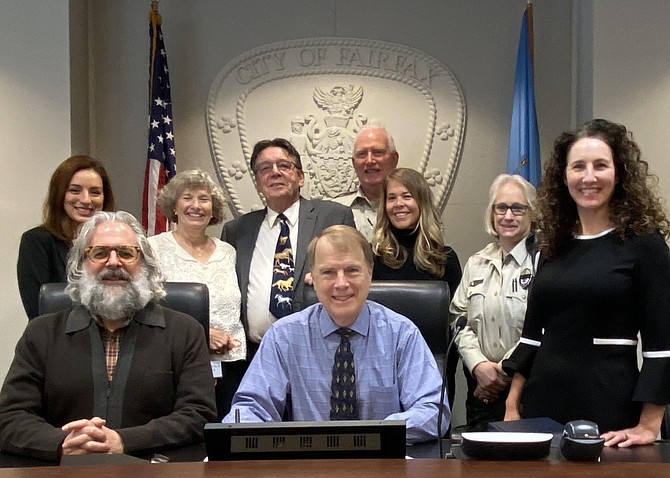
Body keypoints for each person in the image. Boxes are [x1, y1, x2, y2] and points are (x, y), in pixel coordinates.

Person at [503, 119, 670, 447]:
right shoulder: (552, 245)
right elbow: (532, 337)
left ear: (618, 173)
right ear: (564, 176)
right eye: (578, 166)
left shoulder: (645, 245)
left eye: (600, 165)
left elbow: (662, 344)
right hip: (541, 409)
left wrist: (649, 426)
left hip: (609, 409)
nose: (589, 177)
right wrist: (511, 406)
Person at [0, 211, 216, 461]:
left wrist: (124, 440)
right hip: (62, 472)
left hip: (151, 470)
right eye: (100, 253)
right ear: (80, 265)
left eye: (126, 253)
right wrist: (62, 443)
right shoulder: (41, 332)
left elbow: (199, 414)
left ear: (145, 265)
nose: (113, 262)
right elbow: (10, 416)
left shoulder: (185, 331)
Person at [224, 225, 449, 444]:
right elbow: (251, 407)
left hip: (382, 464)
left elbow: (433, 411)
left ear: (369, 273)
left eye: (352, 270)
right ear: (314, 278)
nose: (341, 283)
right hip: (309, 463)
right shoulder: (284, 336)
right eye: (328, 272)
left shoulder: (401, 333)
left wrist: (374, 434)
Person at [221, 138, 354, 360]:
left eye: (284, 165)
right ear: (257, 183)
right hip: (255, 356)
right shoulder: (237, 230)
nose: (274, 172)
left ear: (300, 177)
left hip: (318, 352)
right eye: (265, 168)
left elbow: (352, 273)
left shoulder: (333, 216)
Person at [148, 169, 244, 420]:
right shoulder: (153, 248)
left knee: (228, 438)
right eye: (187, 198)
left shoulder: (229, 252)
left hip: (232, 365)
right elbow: (147, 306)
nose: (196, 206)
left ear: (213, 209)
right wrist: (202, 333)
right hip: (179, 363)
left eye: (204, 199)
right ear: (174, 207)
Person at [449, 174, 537, 431]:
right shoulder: (476, 262)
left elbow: (541, 327)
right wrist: (478, 366)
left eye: (517, 208)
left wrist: (504, 371)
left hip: (526, 391)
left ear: (532, 214)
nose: (508, 216)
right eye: (501, 208)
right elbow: (458, 318)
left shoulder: (542, 263)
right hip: (480, 391)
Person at [371, 167, 462, 408]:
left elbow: (457, 325)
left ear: (421, 201)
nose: (398, 204)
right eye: (392, 198)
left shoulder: (446, 259)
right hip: (381, 374)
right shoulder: (372, 258)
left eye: (407, 196)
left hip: (432, 373)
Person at [17, 155, 116, 319]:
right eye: (75, 190)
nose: (86, 200)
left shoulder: (116, 244)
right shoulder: (36, 242)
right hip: (57, 339)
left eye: (95, 192)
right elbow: (38, 310)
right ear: (59, 194)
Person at [333, 126, 399, 241]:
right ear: (354, 163)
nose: (369, 160)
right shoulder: (334, 210)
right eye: (362, 154)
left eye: (378, 152)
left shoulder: (411, 208)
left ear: (394, 159)